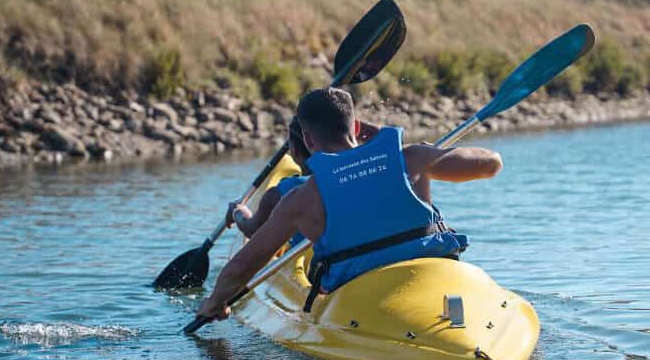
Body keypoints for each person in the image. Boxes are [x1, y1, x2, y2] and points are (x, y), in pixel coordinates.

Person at [198, 88, 502, 320]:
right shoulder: (411, 159)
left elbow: (241, 266)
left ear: (306, 138)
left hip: (364, 301)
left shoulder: (301, 199)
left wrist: (213, 304)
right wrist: (423, 151)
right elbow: (490, 164)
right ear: (356, 127)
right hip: (442, 279)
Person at [226, 115, 384, 240]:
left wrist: (238, 212)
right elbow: (384, 139)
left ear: (293, 150)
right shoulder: (368, 172)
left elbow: (252, 231)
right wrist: (342, 118)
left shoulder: (280, 194)